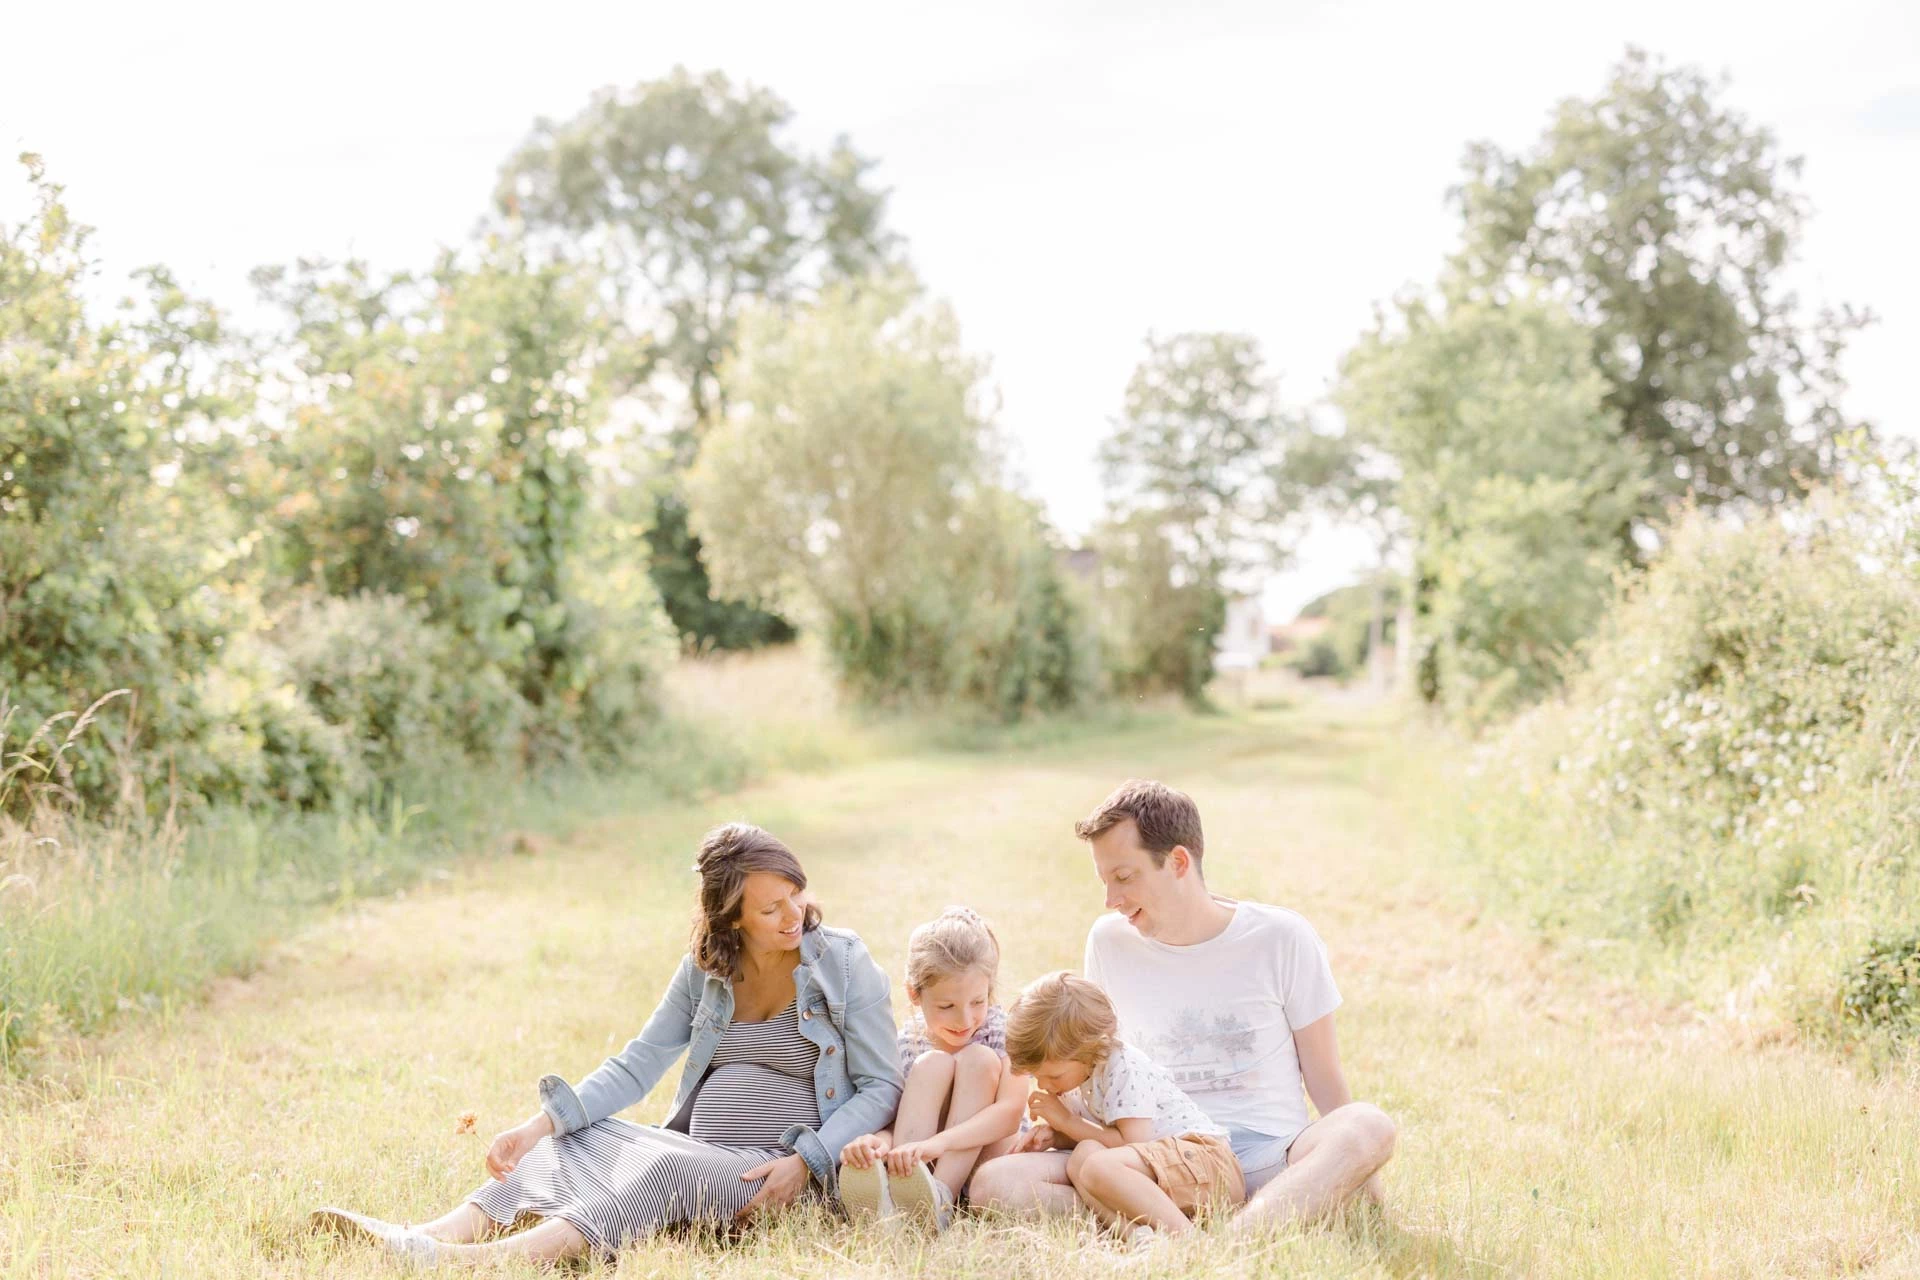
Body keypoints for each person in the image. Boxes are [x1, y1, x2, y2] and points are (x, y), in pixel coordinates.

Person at [310, 822, 901, 1266]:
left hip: (777, 1178)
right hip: (703, 1156)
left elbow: (881, 1086)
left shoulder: (843, 964)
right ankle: (426, 1233)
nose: (794, 914)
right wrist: (539, 1124)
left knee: (662, 1165)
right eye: (771, 908)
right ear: (732, 920)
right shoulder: (708, 967)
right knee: (574, 1133)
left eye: (796, 895)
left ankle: (468, 1265)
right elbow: (640, 1060)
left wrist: (807, 1162)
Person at [971, 780, 1396, 1231]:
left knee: (1368, 1125)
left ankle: (1235, 1234)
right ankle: (1226, 1227)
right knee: (996, 1184)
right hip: (1149, 1162)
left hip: (1273, 1160)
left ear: (1177, 862)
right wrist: (1063, 1126)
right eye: (1105, 881)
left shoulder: (1281, 938)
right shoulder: (1110, 940)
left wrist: (1365, 1183)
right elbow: (1097, 1061)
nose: (1111, 901)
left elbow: (1326, 1080)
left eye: (1124, 877)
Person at [1004, 971, 1244, 1244]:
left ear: (1091, 1050)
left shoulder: (1123, 1066)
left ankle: (1190, 1240)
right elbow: (1103, 1139)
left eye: (1054, 1076)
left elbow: (1133, 1143)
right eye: (1037, 1077)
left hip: (1207, 1164)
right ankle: (1139, 1237)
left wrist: (1067, 1122)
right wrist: (1056, 1136)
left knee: (1095, 1165)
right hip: (1167, 1173)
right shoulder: (1078, 1078)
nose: (1045, 1085)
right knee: (1083, 1157)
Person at [839, 906, 1025, 1230]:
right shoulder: (908, 1043)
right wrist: (878, 1142)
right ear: (914, 994)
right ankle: (902, 1193)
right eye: (946, 1006)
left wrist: (940, 1143)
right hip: (928, 1159)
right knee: (931, 1065)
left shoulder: (1001, 1030)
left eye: (977, 1002)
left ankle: (939, 1199)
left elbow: (1010, 1114)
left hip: (990, 1159)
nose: (965, 1020)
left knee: (979, 1058)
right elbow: (901, 1120)